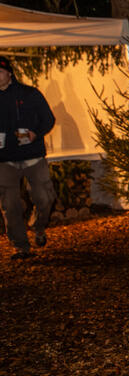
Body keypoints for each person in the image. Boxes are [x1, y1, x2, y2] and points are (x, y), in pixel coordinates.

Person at [0, 56, 55, 260]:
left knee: (45, 198)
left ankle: (38, 226)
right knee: (10, 205)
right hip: (4, 160)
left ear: (9, 73)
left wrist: (35, 134)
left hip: (33, 157)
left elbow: (48, 119)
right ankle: (21, 246)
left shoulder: (30, 94)